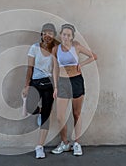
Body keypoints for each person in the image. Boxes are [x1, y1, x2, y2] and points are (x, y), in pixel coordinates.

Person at [51, 24, 97, 156]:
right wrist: (55, 86)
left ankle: (77, 143)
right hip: (62, 83)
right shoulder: (55, 49)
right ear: (61, 34)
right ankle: (65, 143)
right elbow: (55, 68)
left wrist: (81, 64)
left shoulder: (76, 46)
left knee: (76, 114)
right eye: (64, 34)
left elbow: (94, 56)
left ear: (72, 37)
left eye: (68, 35)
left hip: (76, 81)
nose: (65, 37)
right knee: (60, 117)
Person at [22, 23, 58, 159]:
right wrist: (26, 86)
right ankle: (41, 112)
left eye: (50, 33)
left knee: (46, 118)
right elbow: (29, 68)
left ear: (54, 35)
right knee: (31, 108)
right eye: (44, 33)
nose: (47, 35)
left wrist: (56, 87)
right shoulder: (34, 48)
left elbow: (55, 69)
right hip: (35, 83)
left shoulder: (55, 49)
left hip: (48, 84)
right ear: (41, 35)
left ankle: (39, 147)